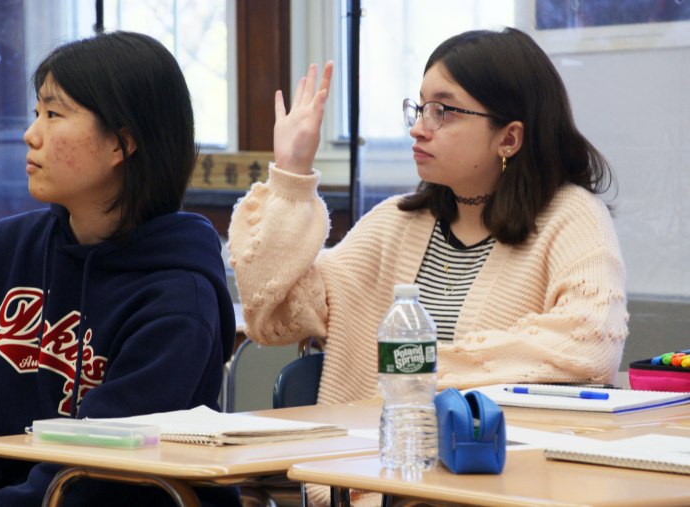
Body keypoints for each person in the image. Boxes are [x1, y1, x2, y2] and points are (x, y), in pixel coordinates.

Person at [229, 27, 629, 406]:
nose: (418, 129)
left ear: (508, 138)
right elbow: (272, 314)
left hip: (491, 472)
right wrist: (292, 172)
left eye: (442, 111)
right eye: (420, 108)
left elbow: (591, 346)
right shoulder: (393, 225)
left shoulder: (572, 218)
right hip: (365, 471)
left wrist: (417, 367)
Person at [0, 31, 239, 506]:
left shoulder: (181, 297)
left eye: (54, 115)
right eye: (37, 113)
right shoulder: (3, 252)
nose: (31, 134)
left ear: (122, 144)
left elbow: (93, 479)